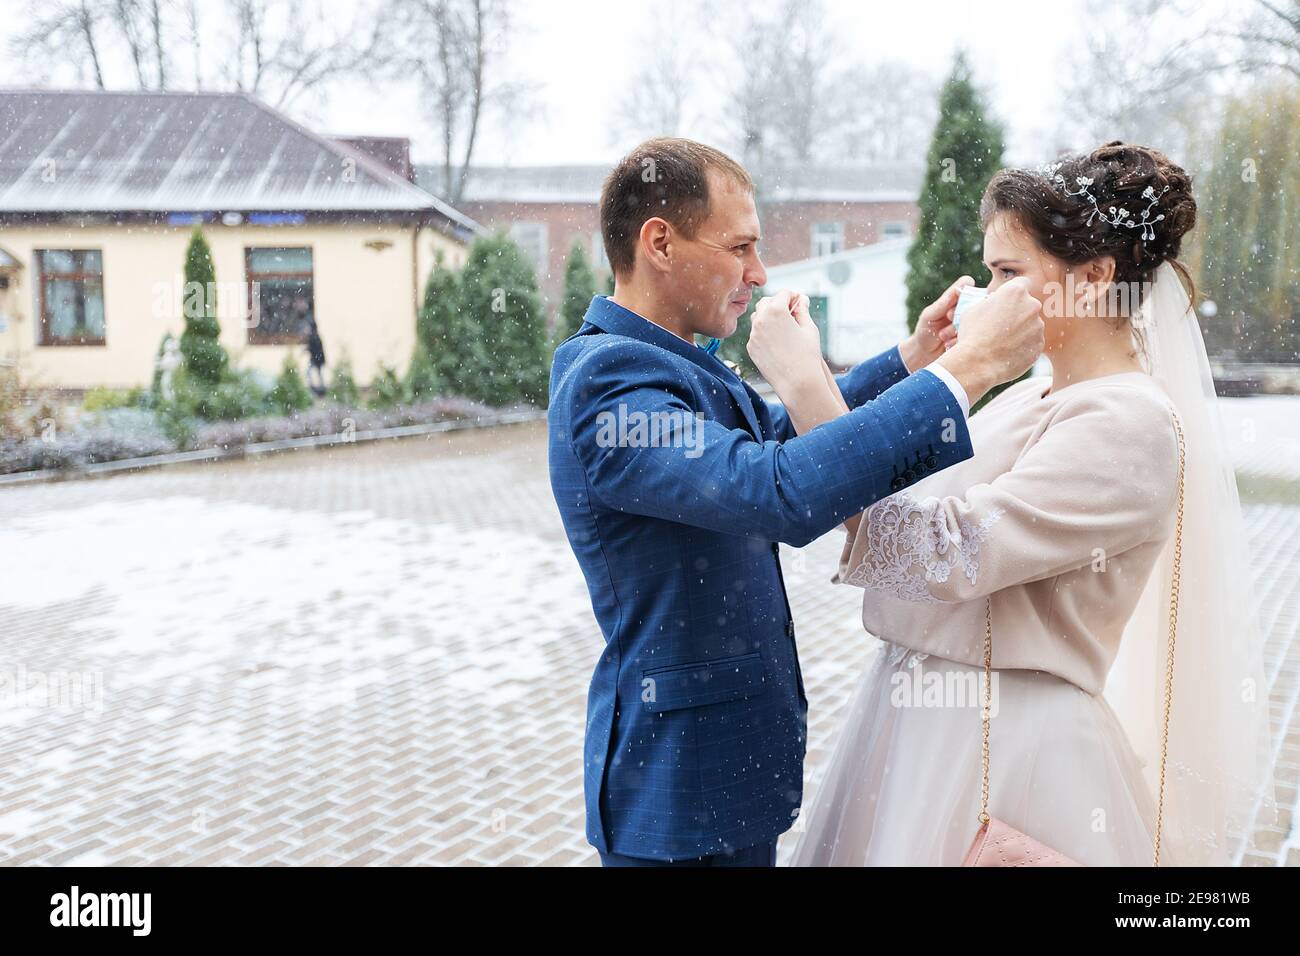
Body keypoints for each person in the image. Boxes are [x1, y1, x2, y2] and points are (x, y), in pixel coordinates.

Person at [755, 142, 1278, 866]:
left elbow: (940, 552)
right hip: (918, 730)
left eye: (1007, 274)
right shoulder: (1036, 394)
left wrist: (804, 384)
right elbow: (897, 493)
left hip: (1001, 753)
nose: (981, 296)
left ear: (1092, 280)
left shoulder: (1129, 424)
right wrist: (926, 365)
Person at [546, 137, 1044, 866]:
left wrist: (915, 360)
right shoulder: (610, 384)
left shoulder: (668, 364)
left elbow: (773, 441)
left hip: (720, 782)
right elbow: (775, 488)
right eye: (741, 245)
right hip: (676, 794)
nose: (759, 272)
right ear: (659, 242)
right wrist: (969, 372)